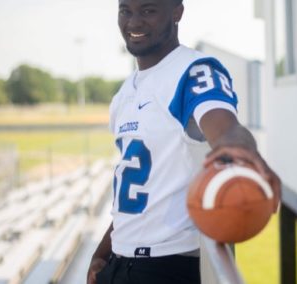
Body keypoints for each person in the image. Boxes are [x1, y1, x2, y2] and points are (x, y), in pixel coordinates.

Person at [87, 0, 281, 283]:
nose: (134, 22)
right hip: (118, 262)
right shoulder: (124, 92)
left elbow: (225, 127)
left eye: (148, 10)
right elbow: (143, 190)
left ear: (177, 12)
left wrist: (239, 150)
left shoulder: (193, 71)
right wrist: (102, 251)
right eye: (125, 11)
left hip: (166, 266)